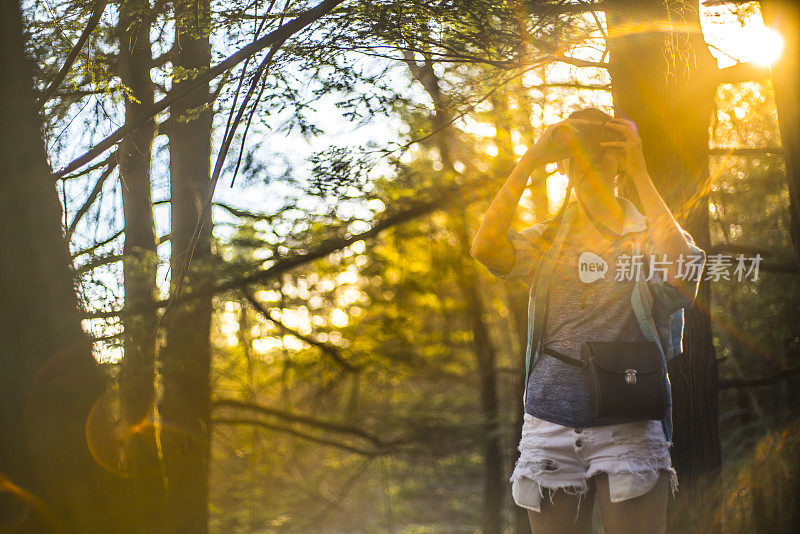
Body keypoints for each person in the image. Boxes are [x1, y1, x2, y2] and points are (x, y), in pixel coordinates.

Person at [470, 107, 706, 533]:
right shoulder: (545, 238)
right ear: (562, 166)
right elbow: (486, 247)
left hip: (628, 422)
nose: (588, 164)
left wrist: (640, 172)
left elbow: (682, 274)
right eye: (577, 156)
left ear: (619, 159)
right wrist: (530, 160)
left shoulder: (648, 233)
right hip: (548, 424)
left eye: (600, 152)